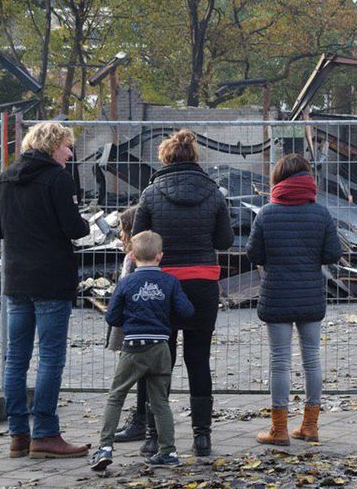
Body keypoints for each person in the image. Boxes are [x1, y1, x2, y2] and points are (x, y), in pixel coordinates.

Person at [0, 121, 91, 458]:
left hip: (16, 279)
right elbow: (74, 228)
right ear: (52, 145)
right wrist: (85, 221)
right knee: (50, 357)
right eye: (67, 146)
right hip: (51, 279)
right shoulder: (57, 179)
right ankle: (45, 433)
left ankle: (18, 434)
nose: (70, 153)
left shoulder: (4, 179)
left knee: (15, 359)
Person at [132, 129, 232, 456]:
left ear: (166, 157)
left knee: (159, 360)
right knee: (198, 359)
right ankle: (202, 437)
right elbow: (224, 242)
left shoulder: (150, 193)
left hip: (161, 284)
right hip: (202, 283)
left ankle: (153, 436)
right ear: (194, 157)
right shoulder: (215, 193)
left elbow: (138, 242)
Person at [247, 154, 341, 445]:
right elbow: (332, 254)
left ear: (278, 181)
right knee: (312, 359)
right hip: (310, 294)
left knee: (280, 361)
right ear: (307, 179)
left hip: (277, 295)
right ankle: (310, 426)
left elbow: (254, 254)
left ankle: (279, 430)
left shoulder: (266, 213)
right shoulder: (321, 213)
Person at [91, 231, 194, 471]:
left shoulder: (126, 283)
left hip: (133, 348)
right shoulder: (170, 282)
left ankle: (105, 448)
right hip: (160, 347)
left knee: (117, 395)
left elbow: (112, 316)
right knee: (160, 401)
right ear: (160, 256)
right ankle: (168, 451)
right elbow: (186, 311)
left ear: (133, 257)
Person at [104, 206, 152, 443]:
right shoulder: (150, 259)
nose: (121, 236)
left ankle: (138, 422)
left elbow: (122, 295)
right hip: (148, 329)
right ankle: (146, 420)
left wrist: (113, 319)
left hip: (133, 328)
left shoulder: (132, 261)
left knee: (126, 380)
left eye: (123, 231)